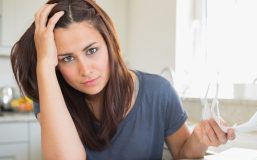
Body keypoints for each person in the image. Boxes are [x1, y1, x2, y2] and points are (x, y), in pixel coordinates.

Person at [10, 0, 235, 159]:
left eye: (92, 50)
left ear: (110, 44)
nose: (85, 69)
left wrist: (199, 139)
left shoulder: (158, 92)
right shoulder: (52, 95)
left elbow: (183, 155)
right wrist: (44, 65)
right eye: (67, 58)